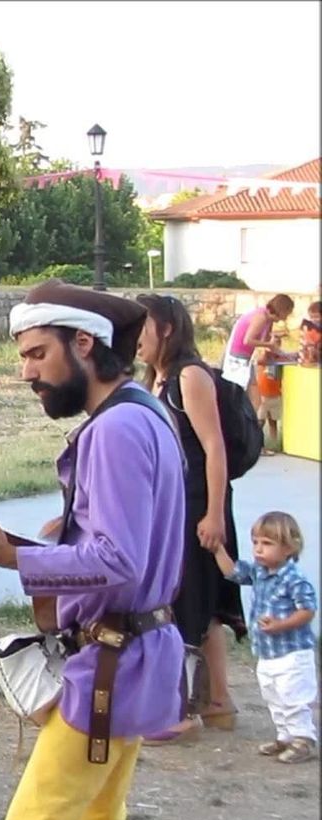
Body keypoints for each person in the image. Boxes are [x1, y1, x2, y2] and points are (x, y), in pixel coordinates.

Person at [0, 280, 185, 820]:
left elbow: (116, 561)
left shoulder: (115, 430)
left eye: (37, 354)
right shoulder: (143, 411)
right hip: (135, 654)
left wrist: (14, 559)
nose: (27, 372)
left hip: (114, 661)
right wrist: (35, 548)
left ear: (84, 343)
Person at [135, 294, 245, 741]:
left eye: (142, 326)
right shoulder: (157, 380)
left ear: (165, 328)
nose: (135, 337)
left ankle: (180, 709)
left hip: (198, 502)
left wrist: (214, 514)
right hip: (177, 504)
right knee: (203, 603)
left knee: (189, 603)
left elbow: (214, 447)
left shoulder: (190, 376)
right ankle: (217, 701)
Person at [213, 512, 318, 764]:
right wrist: (217, 549)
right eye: (256, 542)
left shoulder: (295, 579)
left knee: (293, 696)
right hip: (267, 652)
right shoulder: (260, 572)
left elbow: (307, 610)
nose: (259, 549)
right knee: (273, 694)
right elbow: (233, 572)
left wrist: (281, 624)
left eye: (267, 544)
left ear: (290, 547)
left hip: (292, 653)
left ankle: (303, 739)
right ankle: (284, 736)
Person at [223, 293, 295, 408]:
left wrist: (275, 341)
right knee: (253, 399)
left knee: (252, 398)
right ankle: (249, 422)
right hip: (237, 358)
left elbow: (265, 339)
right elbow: (248, 340)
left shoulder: (268, 319)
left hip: (245, 357)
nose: (285, 318)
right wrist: (270, 345)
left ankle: (248, 421)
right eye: (286, 314)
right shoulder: (261, 317)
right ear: (282, 310)